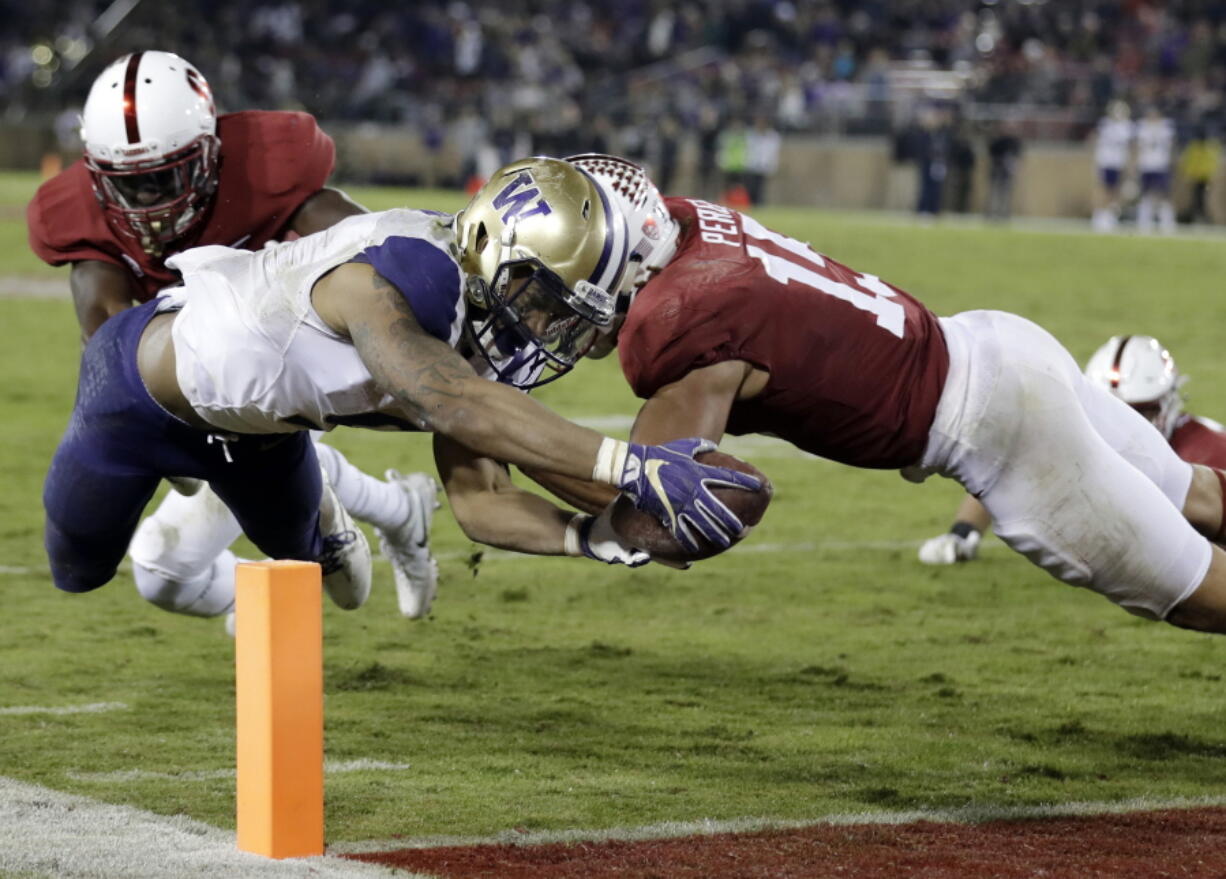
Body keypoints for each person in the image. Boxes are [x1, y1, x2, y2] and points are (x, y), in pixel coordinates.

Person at [532, 153, 1226, 635]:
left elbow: (672, 507)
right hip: (999, 345)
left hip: (1001, 429)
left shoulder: (678, 325)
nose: (551, 299)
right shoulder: (690, 222)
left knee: (1199, 592)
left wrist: (502, 431)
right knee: (1201, 496)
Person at [42, 157, 761, 606]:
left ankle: (350, 504)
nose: (551, 328)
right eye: (547, 300)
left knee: (330, 583)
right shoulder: (412, 269)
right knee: (79, 570)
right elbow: (443, 398)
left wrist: (599, 533)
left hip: (260, 439)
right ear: (493, 250)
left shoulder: (486, 322)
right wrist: (630, 466)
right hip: (135, 397)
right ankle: (343, 491)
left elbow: (482, 498)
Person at [27, 51, 440, 623]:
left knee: (181, 563)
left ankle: (370, 527)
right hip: (193, 389)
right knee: (165, 569)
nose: (148, 202)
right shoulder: (78, 221)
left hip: (286, 368)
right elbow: (107, 350)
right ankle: (398, 512)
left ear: (208, 154)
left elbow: (376, 251)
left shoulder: (266, 167)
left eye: (165, 178)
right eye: (130, 184)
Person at [919, 335, 1226, 564]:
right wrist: (962, 532)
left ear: (1167, 401)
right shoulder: (1081, 427)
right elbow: (1012, 461)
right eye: (1114, 408)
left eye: (1140, 412)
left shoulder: (1208, 451)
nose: (1127, 422)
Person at [1091, 100, 1133, 233]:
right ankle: (1100, 215)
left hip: (1118, 162)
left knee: (1115, 191)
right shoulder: (1105, 124)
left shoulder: (1128, 127)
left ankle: (1110, 215)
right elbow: (1094, 139)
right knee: (1103, 189)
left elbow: (1131, 146)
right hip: (1105, 161)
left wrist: (1130, 165)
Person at [1134, 105, 1176, 234]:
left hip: (1160, 165)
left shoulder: (1165, 128)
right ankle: (1144, 220)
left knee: (1163, 194)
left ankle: (1166, 220)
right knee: (1145, 193)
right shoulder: (1142, 127)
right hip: (1146, 165)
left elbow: (1171, 146)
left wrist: (1170, 162)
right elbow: (1138, 146)